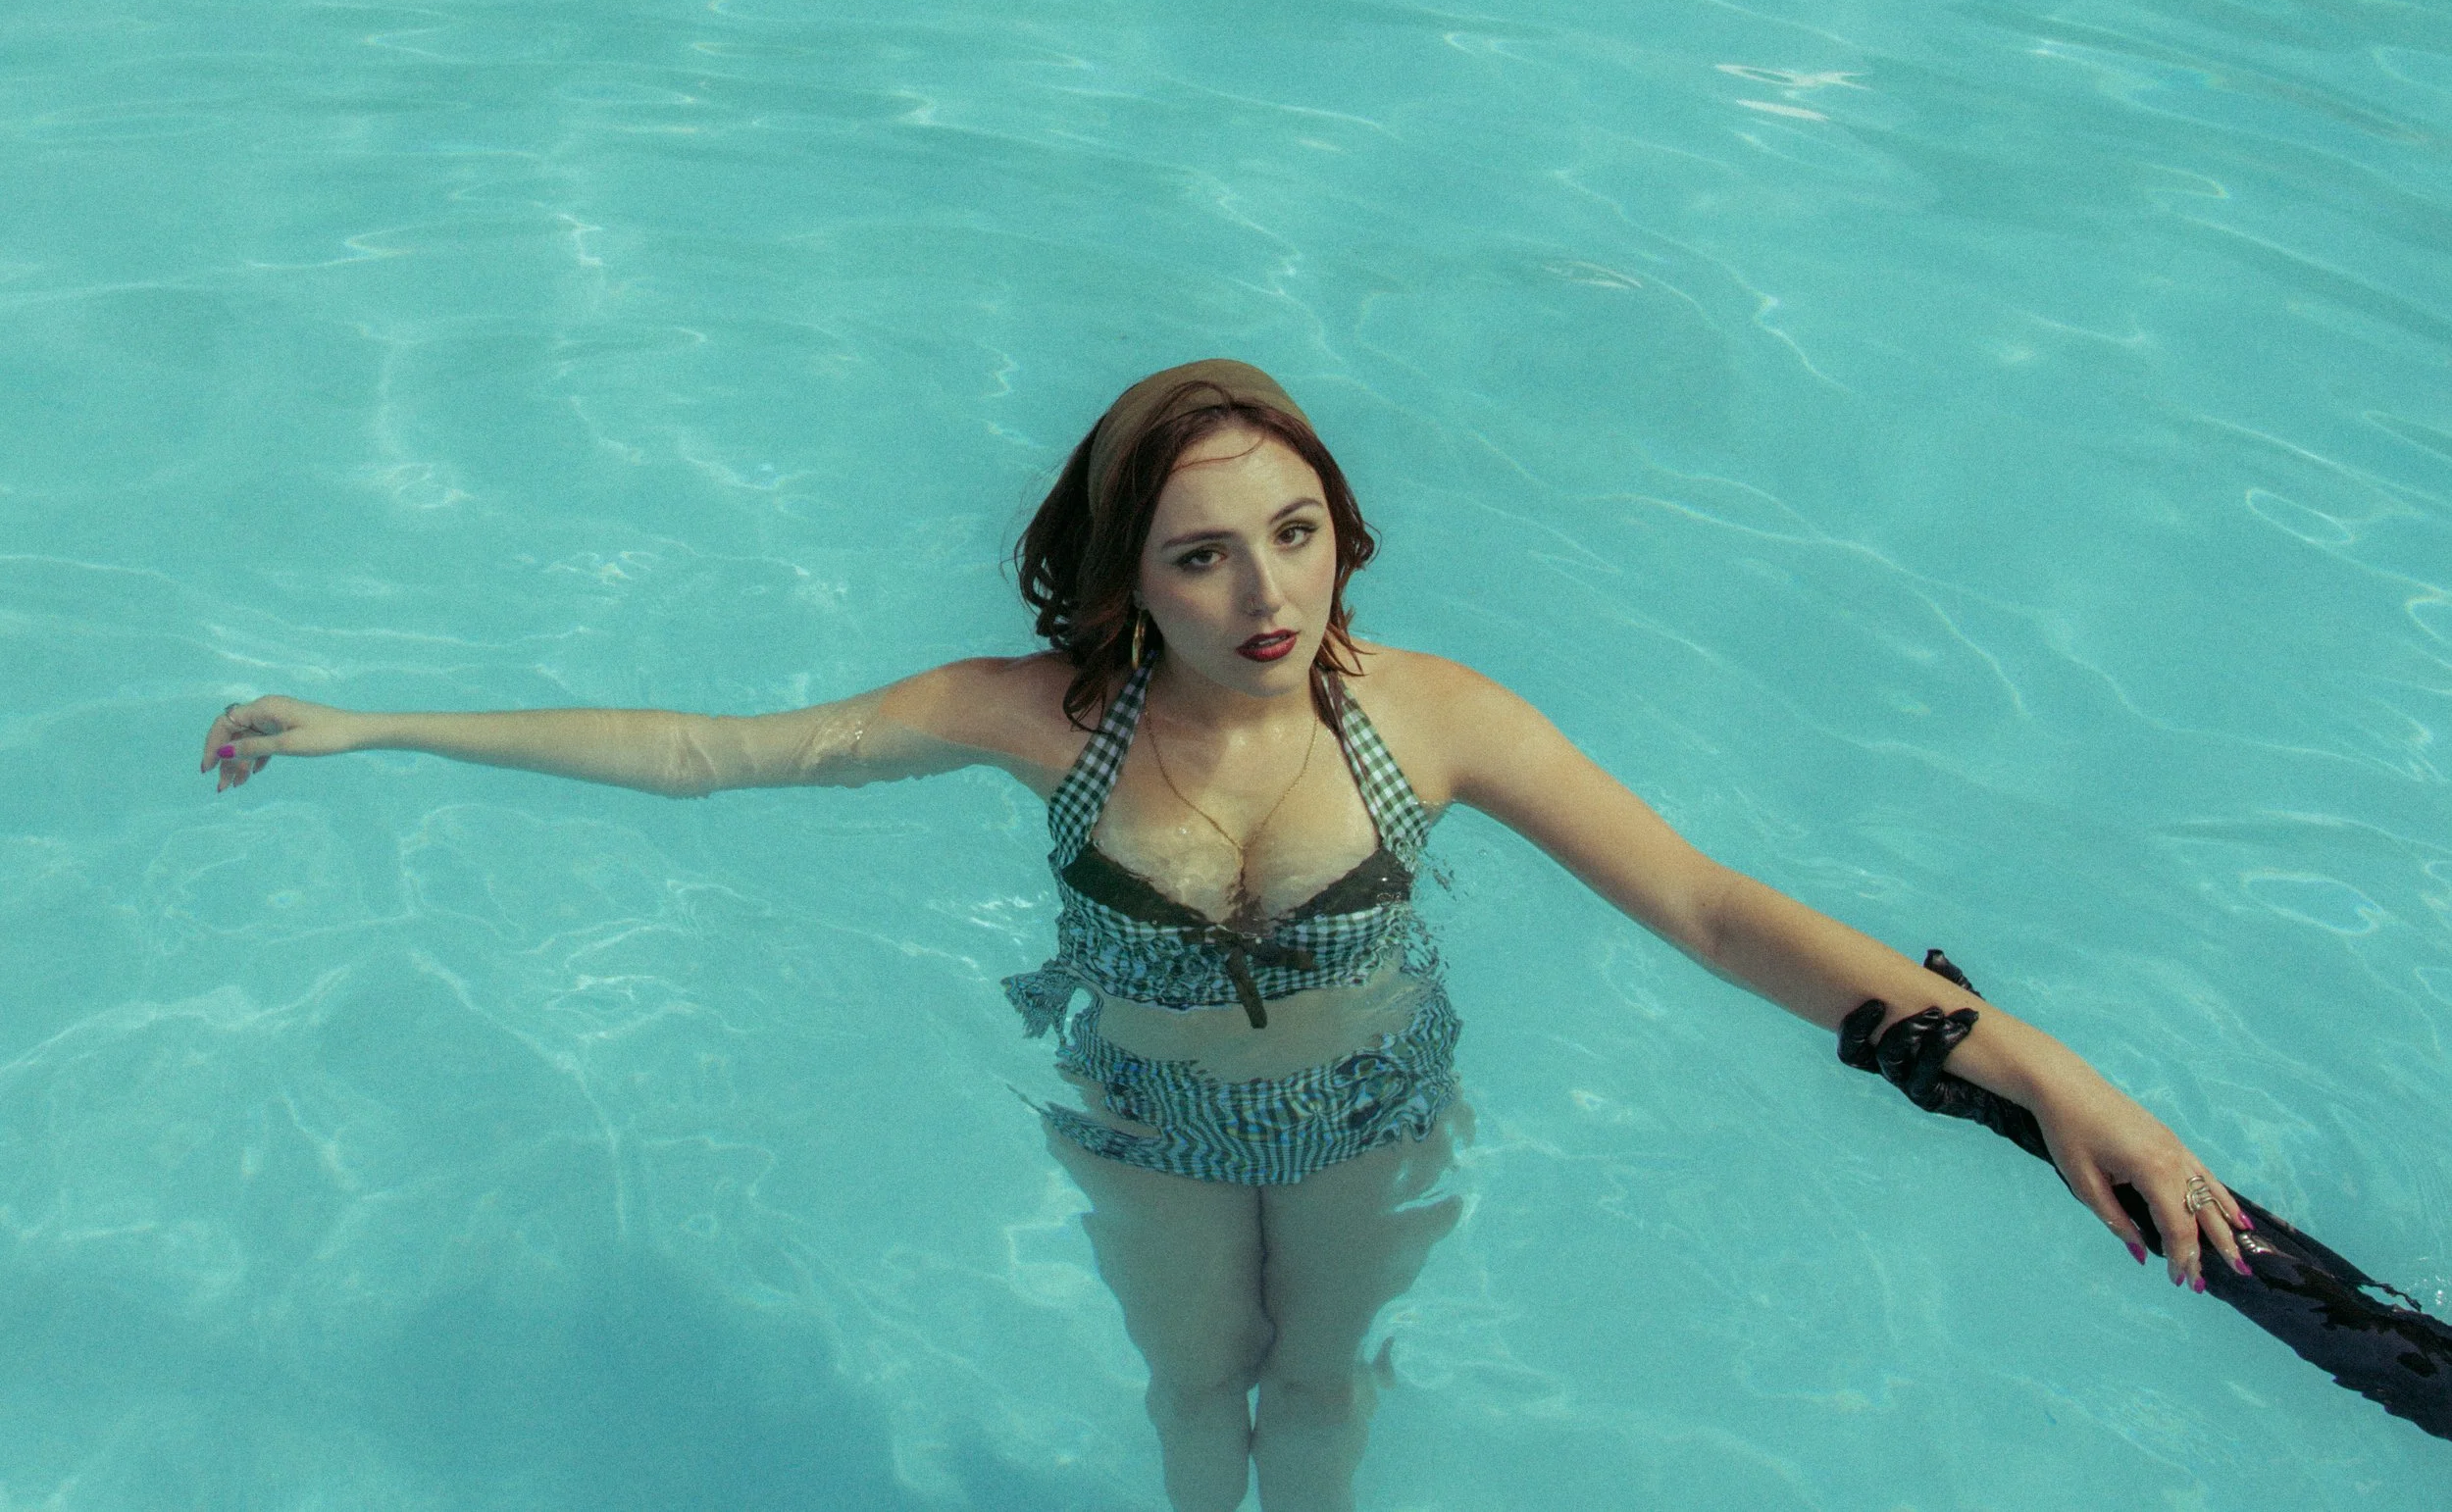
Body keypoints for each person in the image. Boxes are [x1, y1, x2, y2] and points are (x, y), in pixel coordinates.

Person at [201, 359, 2256, 1512]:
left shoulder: (1426, 720)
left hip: (1368, 1109)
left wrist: (2044, 1072)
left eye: (1294, 530)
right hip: (1150, 1121)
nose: (1268, 592)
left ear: (1339, 522)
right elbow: (700, 751)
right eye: (1203, 554)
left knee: (1325, 1382)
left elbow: (1714, 907)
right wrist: (383, 721)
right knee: (1199, 1387)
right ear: (1128, 579)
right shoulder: (1036, 719)